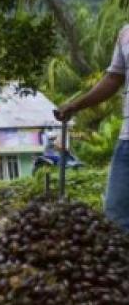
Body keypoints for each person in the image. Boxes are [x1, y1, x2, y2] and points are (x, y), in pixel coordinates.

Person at [55, 24, 129, 231]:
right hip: (127, 141)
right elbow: (114, 78)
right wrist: (76, 105)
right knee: (117, 218)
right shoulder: (125, 33)